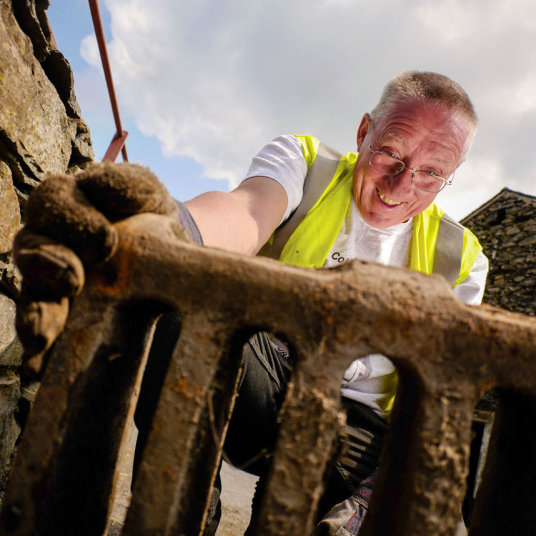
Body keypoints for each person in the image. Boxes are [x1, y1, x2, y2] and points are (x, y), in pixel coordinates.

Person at [14, 71, 488, 535]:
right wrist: (162, 227)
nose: (401, 186)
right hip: (257, 382)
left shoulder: (462, 259)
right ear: (364, 132)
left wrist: (375, 490)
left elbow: (436, 398)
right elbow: (244, 211)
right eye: (390, 152)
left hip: (352, 431)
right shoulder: (306, 162)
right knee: (180, 306)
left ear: (451, 176)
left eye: (431, 174)